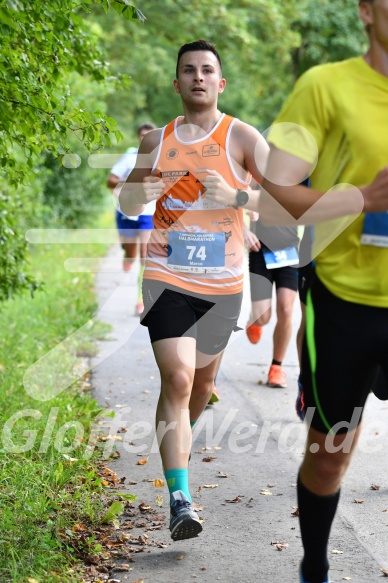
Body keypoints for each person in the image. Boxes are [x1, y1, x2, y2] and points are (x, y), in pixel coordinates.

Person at [118, 39, 268, 541]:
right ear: (177, 82)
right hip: (167, 276)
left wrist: (239, 196)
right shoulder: (155, 141)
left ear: (220, 83)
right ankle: (180, 498)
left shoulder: (243, 138)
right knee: (179, 380)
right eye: (189, 70)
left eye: (207, 70)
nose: (198, 77)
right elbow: (129, 196)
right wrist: (143, 192)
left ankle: (177, 446)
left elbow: (287, 203)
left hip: (223, 284)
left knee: (201, 386)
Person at [260, 2, 388, 581]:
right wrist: (362, 198)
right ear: (365, 10)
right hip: (343, 301)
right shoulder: (324, 86)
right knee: (329, 461)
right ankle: (316, 566)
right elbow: (275, 192)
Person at [245, 208, 299, 389]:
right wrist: (247, 208)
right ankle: (255, 319)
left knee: (286, 309)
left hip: (289, 251)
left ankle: (276, 367)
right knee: (263, 317)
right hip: (260, 249)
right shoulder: (258, 178)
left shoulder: (299, 179)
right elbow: (238, 192)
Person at [107, 122, 156, 315]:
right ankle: (127, 255)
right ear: (138, 137)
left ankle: (141, 300)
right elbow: (110, 181)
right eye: (142, 135)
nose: (145, 138)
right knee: (132, 254)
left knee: (145, 256)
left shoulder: (160, 158)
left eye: (149, 135)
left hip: (148, 214)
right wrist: (130, 182)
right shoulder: (129, 157)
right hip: (126, 212)